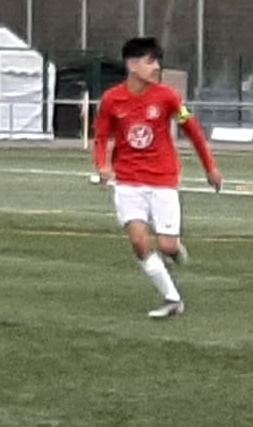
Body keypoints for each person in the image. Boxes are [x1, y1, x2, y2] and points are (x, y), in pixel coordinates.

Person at [93, 37, 222, 318]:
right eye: (150, 61)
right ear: (132, 65)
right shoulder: (112, 100)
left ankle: (173, 250)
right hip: (128, 182)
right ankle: (172, 298)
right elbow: (101, 137)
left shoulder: (167, 97)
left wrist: (210, 167)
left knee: (166, 245)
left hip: (163, 180)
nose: (156, 67)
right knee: (140, 241)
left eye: (157, 61)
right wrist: (102, 165)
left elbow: (193, 131)